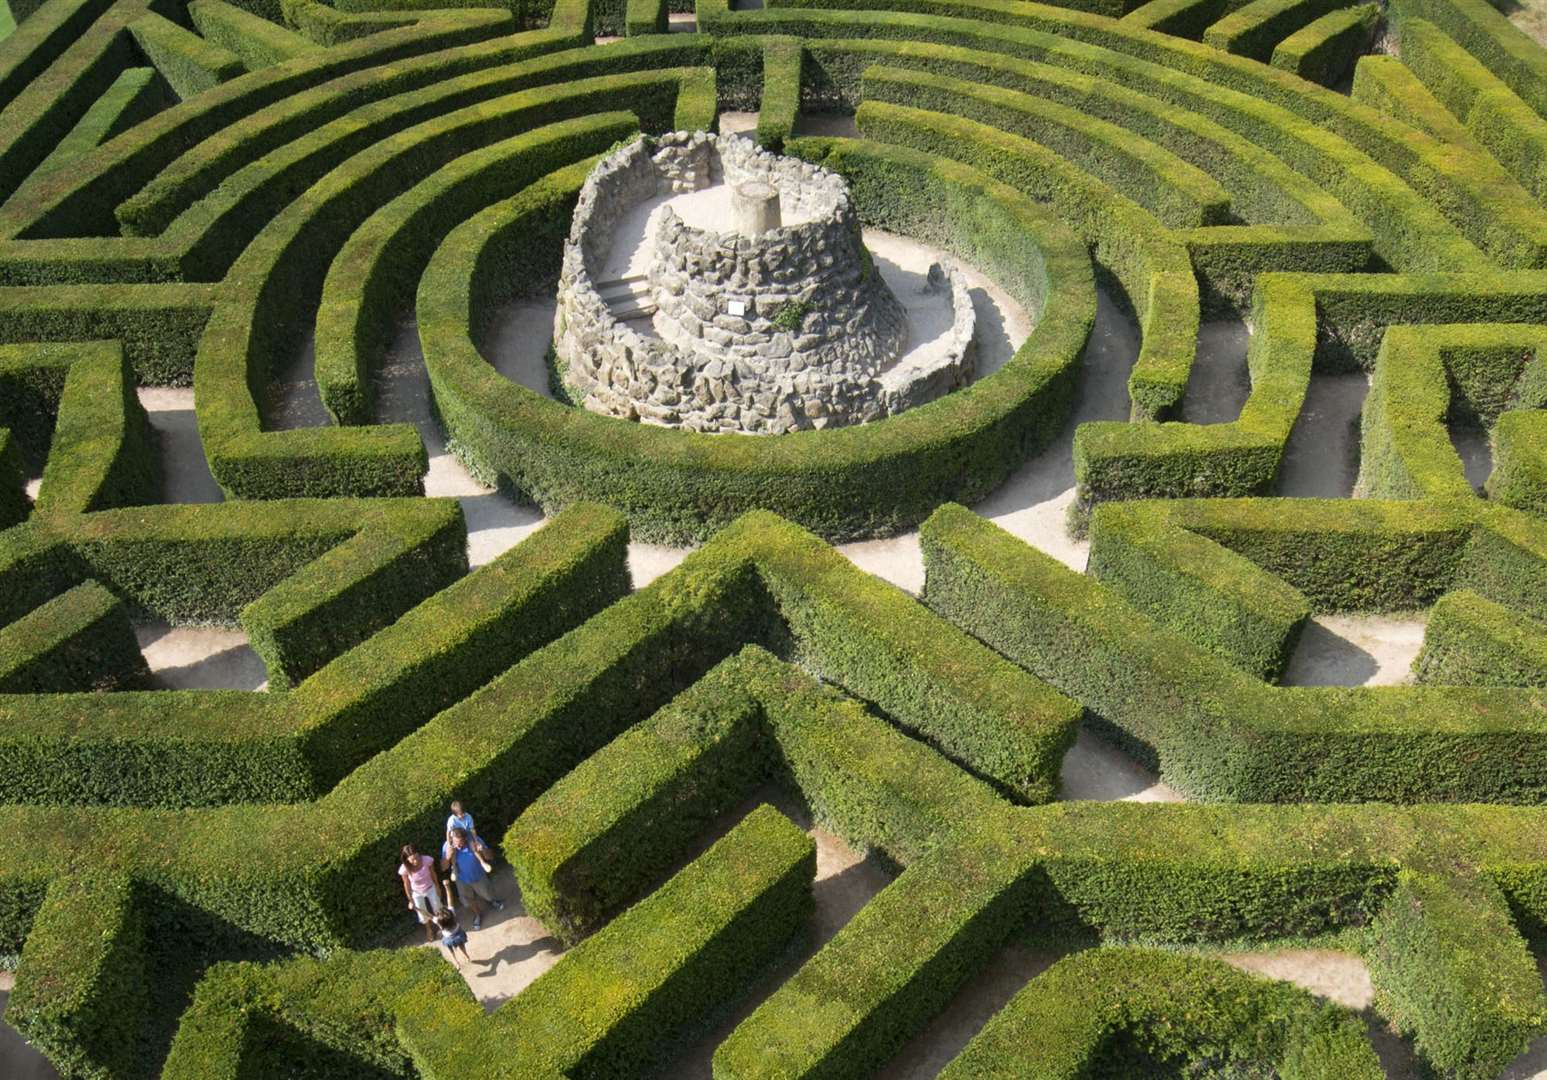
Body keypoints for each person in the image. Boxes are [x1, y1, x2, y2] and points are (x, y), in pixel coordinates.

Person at [440, 826, 504, 930]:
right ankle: (478, 914)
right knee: (467, 900)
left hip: (478, 875)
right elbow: (443, 867)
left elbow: (490, 856)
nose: (458, 846)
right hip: (461, 879)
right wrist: (447, 857)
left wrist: (482, 849)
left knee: (487, 893)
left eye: (460, 843)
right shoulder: (447, 846)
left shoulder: (475, 840)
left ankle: (492, 901)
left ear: (465, 838)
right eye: (455, 843)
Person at [397, 842, 445, 943]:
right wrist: (410, 899)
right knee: (422, 912)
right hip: (416, 892)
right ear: (407, 859)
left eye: (417, 857)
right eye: (412, 859)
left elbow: (433, 873)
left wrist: (437, 887)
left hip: (430, 887)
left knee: (438, 907)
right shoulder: (404, 868)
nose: (415, 861)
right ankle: (429, 930)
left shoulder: (427, 860)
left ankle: (441, 926)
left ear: (419, 854)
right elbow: (406, 884)